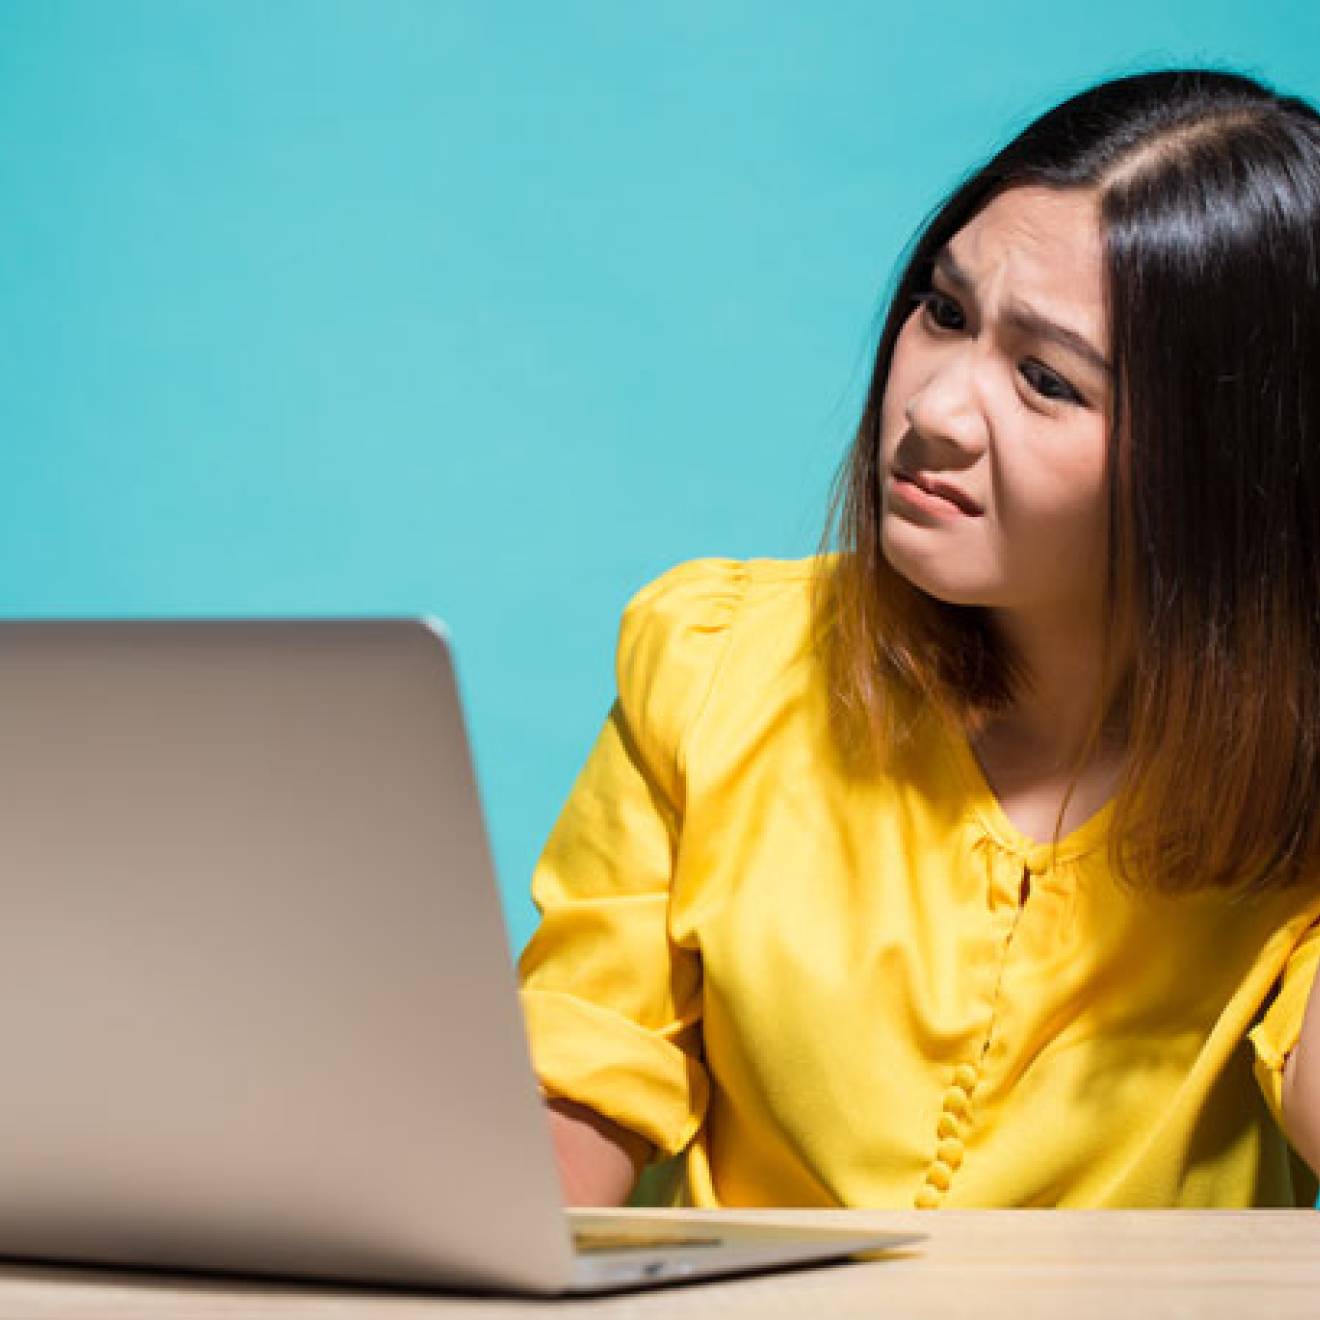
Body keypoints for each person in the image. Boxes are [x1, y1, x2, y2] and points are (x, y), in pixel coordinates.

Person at [516, 67, 1320, 1210]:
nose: (934, 410)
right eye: (944, 313)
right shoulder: (716, 660)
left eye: (1047, 380)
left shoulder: (1288, 786)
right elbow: (574, 1086)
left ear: (1227, 470)